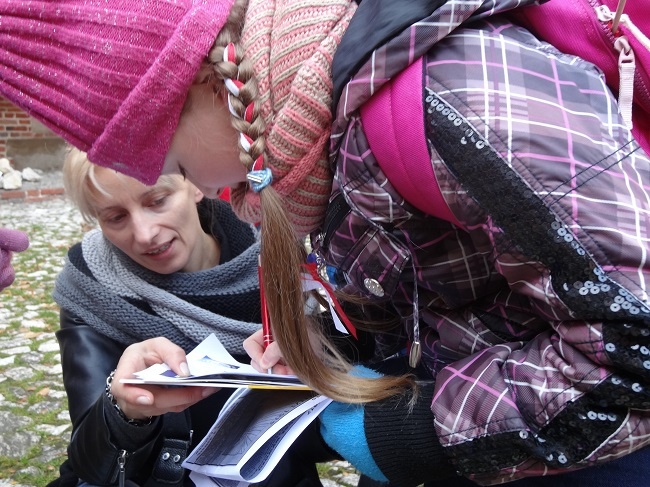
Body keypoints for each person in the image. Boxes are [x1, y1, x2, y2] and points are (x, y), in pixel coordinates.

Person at [3, 0, 650, 486]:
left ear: (203, 88)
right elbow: (441, 290)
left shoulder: (445, 97)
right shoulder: (309, 144)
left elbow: (631, 354)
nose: (178, 187)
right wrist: (329, 352)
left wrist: (406, 430)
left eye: (167, 162)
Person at [48, 148, 334, 487]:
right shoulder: (90, 286)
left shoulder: (274, 257)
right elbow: (90, 461)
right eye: (115, 217)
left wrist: (315, 369)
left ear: (195, 185)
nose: (144, 234)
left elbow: (323, 430)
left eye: (157, 201)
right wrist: (124, 410)